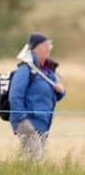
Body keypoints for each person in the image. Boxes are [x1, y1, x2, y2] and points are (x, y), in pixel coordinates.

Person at [9, 33, 66, 162]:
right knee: (36, 161)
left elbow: (54, 95)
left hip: (43, 123)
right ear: (35, 48)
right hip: (28, 123)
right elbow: (15, 97)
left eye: (49, 45)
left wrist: (61, 91)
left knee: (31, 161)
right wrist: (23, 121)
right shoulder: (25, 69)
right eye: (45, 45)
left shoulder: (48, 71)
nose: (49, 48)